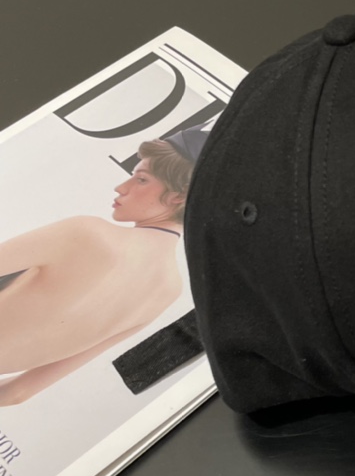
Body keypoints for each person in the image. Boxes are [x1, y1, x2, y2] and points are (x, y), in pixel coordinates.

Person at [0, 131, 203, 407]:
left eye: (141, 179)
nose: (121, 187)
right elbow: (17, 393)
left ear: (178, 196)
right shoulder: (167, 290)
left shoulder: (87, 233)